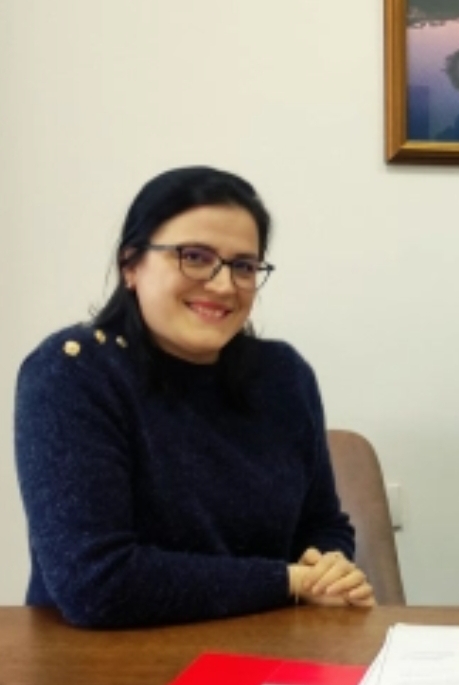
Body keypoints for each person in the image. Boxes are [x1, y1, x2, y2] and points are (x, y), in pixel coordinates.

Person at [15, 166, 375, 628]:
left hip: (267, 646)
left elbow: (323, 524)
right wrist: (289, 580)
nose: (224, 285)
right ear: (131, 265)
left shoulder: (284, 375)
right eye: (194, 257)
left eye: (243, 266)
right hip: (102, 657)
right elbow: (96, 582)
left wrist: (327, 568)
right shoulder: (72, 371)